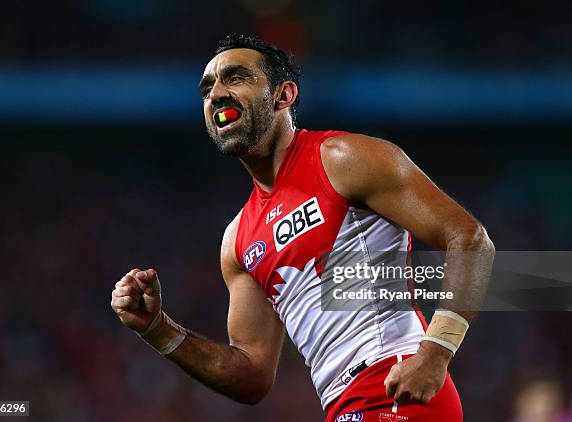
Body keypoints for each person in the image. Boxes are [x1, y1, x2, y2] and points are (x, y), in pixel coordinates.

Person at [111, 33, 495, 421]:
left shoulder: (343, 159)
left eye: (236, 78)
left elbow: (470, 238)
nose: (216, 94)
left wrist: (436, 351)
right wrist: (158, 330)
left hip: (393, 384)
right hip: (344, 405)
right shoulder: (238, 240)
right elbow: (251, 376)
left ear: (283, 96)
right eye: (207, 88)